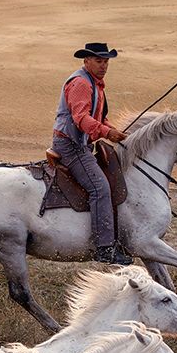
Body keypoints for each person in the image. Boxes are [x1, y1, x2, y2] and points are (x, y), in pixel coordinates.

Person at [52, 43, 131, 266]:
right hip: (71, 145)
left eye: (106, 61)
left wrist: (113, 131)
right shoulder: (81, 84)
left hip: (82, 143)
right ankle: (104, 248)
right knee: (100, 187)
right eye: (99, 61)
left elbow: (98, 117)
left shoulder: (96, 84)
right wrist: (107, 132)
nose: (103, 65)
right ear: (86, 61)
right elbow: (80, 118)